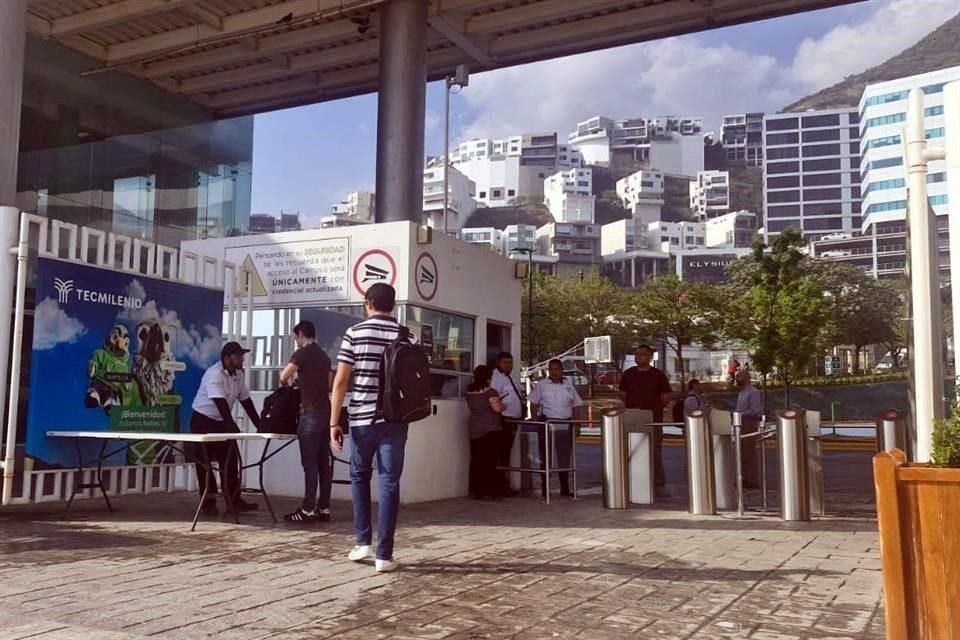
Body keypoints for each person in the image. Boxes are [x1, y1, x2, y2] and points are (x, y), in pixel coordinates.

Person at [330, 283, 411, 574]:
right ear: (393, 305)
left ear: (368, 303)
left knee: (359, 477)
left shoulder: (354, 333)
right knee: (389, 483)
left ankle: (362, 541)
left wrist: (334, 421)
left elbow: (340, 382)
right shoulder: (407, 335)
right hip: (395, 420)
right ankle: (384, 556)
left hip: (362, 420)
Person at [190, 342, 261, 516]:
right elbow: (220, 404)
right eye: (238, 356)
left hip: (221, 420)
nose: (242, 359)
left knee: (230, 460)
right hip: (203, 420)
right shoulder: (214, 374)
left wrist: (261, 425)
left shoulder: (238, 374)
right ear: (227, 358)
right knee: (204, 463)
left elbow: (246, 401)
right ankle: (208, 502)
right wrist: (232, 427)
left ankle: (234, 500)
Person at [280, 320, 333, 523]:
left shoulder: (302, 353)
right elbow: (327, 385)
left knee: (309, 464)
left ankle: (308, 508)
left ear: (302, 334)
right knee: (323, 464)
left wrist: (291, 382)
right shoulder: (325, 356)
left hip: (309, 414)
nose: (296, 341)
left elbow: (284, 377)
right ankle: (324, 507)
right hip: (325, 413)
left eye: (296, 337)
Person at [619, 344, 672, 497]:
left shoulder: (658, 375)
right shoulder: (628, 374)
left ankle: (658, 484)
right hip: (633, 417)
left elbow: (666, 396)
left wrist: (656, 407)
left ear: (649, 357)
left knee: (654, 451)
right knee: (632, 449)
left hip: (653, 418)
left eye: (642, 354)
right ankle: (632, 480)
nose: (638, 357)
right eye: (636, 354)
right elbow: (622, 393)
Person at [529, 359, 583, 499]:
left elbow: (576, 405)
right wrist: (536, 423)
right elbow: (533, 404)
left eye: (557, 369)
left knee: (564, 458)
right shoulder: (541, 385)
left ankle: (564, 488)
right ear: (548, 370)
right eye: (551, 369)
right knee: (546, 457)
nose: (554, 372)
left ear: (562, 370)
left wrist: (578, 425)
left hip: (566, 424)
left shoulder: (568, 385)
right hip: (548, 423)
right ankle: (545, 488)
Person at [466, 365, 506, 500]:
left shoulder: (469, 391)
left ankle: (476, 490)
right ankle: (488, 490)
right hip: (490, 429)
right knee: (489, 461)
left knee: (477, 460)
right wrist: (503, 405)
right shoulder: (491, 392)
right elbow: (497, 409)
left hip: (474, 427)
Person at [490, 351, 523, 496]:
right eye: (505, 362)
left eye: (510, 362)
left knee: (506, 454)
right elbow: (494, 399)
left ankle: (502, 484)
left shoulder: (509, 378)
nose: (508, 365)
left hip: (513, 420)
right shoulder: (496, 378)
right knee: (501, 454)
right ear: (498, 363)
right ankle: (498, 486)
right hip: (503, 420)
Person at [735, 369, 763, 489]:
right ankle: (744, 478)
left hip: (749, 424)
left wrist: (739, 414)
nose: (737, 379)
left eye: (739, 376)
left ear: (746, 377)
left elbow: (755, 410)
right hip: (740, 424)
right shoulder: (741, 393)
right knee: (741, 453)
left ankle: (752, 479)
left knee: (749, 452)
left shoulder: (754, 392)